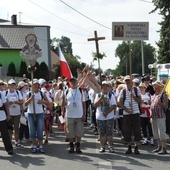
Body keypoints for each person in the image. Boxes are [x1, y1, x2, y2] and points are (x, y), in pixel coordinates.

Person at [118, 75, 142, 154]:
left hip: (135, 113)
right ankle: (129, 147)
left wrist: (134, 97)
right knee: (127, 130)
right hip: (127, 114)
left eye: (129, 81)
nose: (128, 83)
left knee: (137, 130)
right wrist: (127, 110)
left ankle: (136, 147)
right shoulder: (123, 91)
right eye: (126, 82)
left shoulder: (136, 89)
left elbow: (140, 101)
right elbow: (120, 103)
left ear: (132, 82)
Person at [24, 79, 49, 153]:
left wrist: (42, 102)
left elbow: (48, 102)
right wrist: (30, 99)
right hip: (31, 113)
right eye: (34, 85)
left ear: (38, 85)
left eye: (37, 84)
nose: (35, 86)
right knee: (32, 130)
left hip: (39, 113)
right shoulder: (29, 93)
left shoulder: (41, 93)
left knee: (40, 129)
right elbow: (25, 104)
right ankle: (34, 144)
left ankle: (40, 145)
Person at [63, 77, 86, 153]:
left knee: (79, 131)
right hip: (69, 114)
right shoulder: (66, 91)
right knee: (70, 132)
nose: (73, 83)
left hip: (79, 114)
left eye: (74, 81)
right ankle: (71, 146)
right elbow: (63, 103)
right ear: (70, 83)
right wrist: (63, 113)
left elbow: (83, 103)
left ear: (77, 82)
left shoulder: (80, 91)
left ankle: (78, 146)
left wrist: (84, 113)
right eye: (71, 82)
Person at [94, 81, 117, 153]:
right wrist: (101, 98)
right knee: (102, 133)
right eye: (103, 86)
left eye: (106, 86)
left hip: (109, 117)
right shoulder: (98, 95)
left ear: (108, 87)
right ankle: (102, 146)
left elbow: (114, 105)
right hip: (100, 117)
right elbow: (95, 105)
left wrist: (107, 112)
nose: (105, 88)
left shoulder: (111, 95)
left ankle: (110, 146)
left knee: (109, 132)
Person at [150, 81, 169, 154]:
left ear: (159, 87)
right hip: (154, 116)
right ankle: (159, 146)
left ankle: (164, 147)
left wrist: (160, 103)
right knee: (156, 133)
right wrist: (151, 116)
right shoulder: (155, 94)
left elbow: (166, 106)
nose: (154, 87)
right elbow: (151, 106)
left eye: (155, 86)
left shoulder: (163, 95)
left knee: (161, 132)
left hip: (160, 116)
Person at [6, 79, 24, 147]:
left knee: (16, 128)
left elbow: (22, 101)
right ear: (8, 85)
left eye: (13, 84)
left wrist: (17, 102)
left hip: (17, 113)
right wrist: (8, 103)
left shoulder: (18, 92)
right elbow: (3, 103)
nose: (12, 86)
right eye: (10, 85)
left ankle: (17, 141)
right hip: (9, 113)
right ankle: (10, 142)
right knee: (9, 128)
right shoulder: (5, 93)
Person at [0, 80, 13, 155]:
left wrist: (8, 115)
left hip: (1, 116)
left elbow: (6, 105)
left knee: (5, 133)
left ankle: (9, 149)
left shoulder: (1, 94)